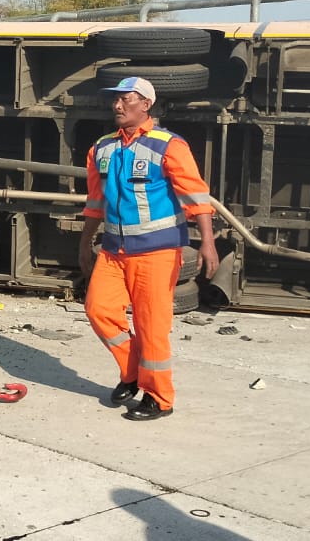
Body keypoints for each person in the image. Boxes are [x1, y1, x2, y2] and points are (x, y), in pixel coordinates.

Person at [78, 76, 219, 421]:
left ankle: (159, 397)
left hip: (157, 253)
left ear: (146, 105)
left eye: (126, 99)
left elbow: (196, 196)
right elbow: (95, 201)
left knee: (151, 326)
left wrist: (208, 243)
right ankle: (133, 373)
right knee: (99, 311)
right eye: (116, 100)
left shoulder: (168, 146)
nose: (118, 105)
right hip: (114, 251)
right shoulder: (102, 148)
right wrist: (85, 242)